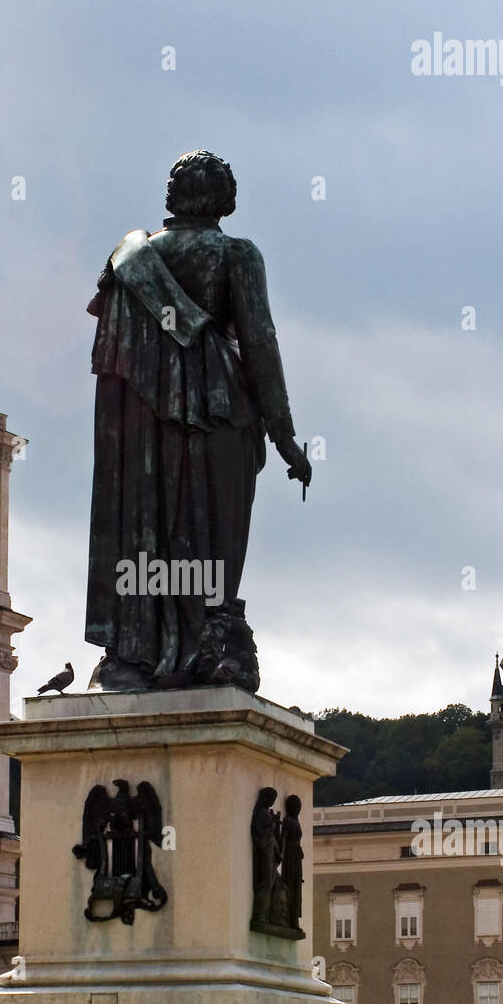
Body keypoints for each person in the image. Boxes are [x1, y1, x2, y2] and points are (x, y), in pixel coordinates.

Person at [85, 149, 311, 692]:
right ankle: (206, 650)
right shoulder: (236, 254)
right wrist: (284, 435)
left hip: (142, 426)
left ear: (174, 196)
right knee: (212, 538)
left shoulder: (129, 260)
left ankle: (134, 654)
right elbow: (260, 343)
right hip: (217, 417)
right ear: (224, 200)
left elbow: (113, 364)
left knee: (149, 529)